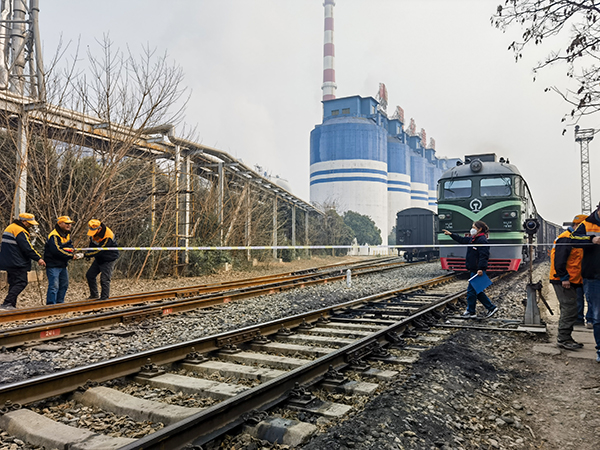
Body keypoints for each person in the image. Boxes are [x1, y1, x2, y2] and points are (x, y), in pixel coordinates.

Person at [443, 221, 498, 318]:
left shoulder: (482, 240)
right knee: (477, 291)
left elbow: (484, 256)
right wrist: (451, 235)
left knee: (471, 291)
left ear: (479, 229)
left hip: (477, 270)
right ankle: (487, 308)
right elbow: (462, 239)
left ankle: (473, 311)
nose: (471, 229)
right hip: (474, 269)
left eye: (473, 227)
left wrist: (481, 268)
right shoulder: (474, 239)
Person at [549, 214, 587, 350]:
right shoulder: (566, 238)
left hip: (570, 279)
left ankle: (565, 337)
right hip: (563, 280)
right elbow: (560, 260)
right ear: (579, 226)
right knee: (570, 308)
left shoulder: (573, 238)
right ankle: (563, 338)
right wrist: (564, 278)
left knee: (568, 307)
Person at [570, 204, 600, 362]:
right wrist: (592, 239)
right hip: (593, 276)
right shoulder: (587, 224)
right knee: (598, 315)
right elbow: (573, 239)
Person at [0, 213, 46, 310]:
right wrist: (38, 258)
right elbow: (27, 247)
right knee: (21, 282)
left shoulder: (10, 227)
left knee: (13, 283)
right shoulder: (20, 231)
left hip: (8, 261)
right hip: (17, 262)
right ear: (23, 221)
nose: (31, 225)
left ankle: (11, 305)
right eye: (29, 223)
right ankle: (7, 303)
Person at [43, 216, 82, 305]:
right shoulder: (54, 235)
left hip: (62, 264)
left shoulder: (67, 234)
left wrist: (70, 250)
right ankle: (51, 304)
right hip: (53, 264)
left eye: (70, 224)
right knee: (54, 286)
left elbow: (69, 245)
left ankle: (60, 303)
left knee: (64, 285)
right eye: (66, 223)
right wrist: (71, 256)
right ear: (60, 223)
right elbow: (56, 250)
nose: (69, 225)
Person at [84, 219, 119, 300]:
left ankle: (104, 298)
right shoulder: (94, 234)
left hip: (109, 259)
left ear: (99, 229)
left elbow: (99, 250)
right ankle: (94, 295)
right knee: (90, 275)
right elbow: (92, 245)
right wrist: (89, 255)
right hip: (99, 258)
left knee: (104, 279)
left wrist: (85, 255)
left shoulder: (108, 235)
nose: (93, 233)